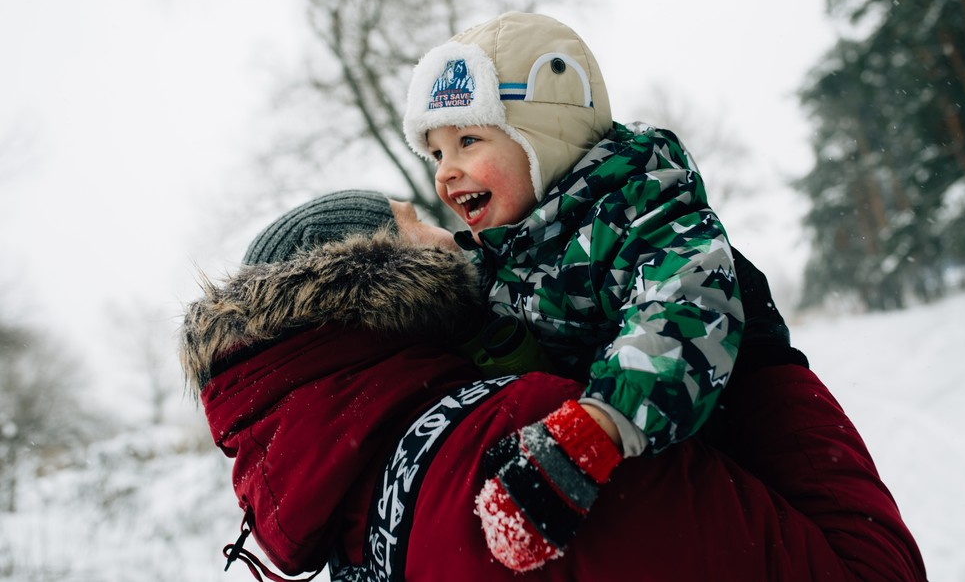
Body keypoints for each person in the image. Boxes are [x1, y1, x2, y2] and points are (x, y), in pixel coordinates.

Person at [178, 190, 926, 582]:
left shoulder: (352, 540)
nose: (453, 234)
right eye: (414, 223)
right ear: (380, 279)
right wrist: (758, 359)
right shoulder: (526, 434)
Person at [402, 11, 744, 568]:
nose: (445, 172)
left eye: (468, 140)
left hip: (686, 477)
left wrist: (596, 428)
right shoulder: (503, 254)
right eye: (438, 153)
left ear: (547, 137)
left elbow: (685, 308)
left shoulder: (638, 213)